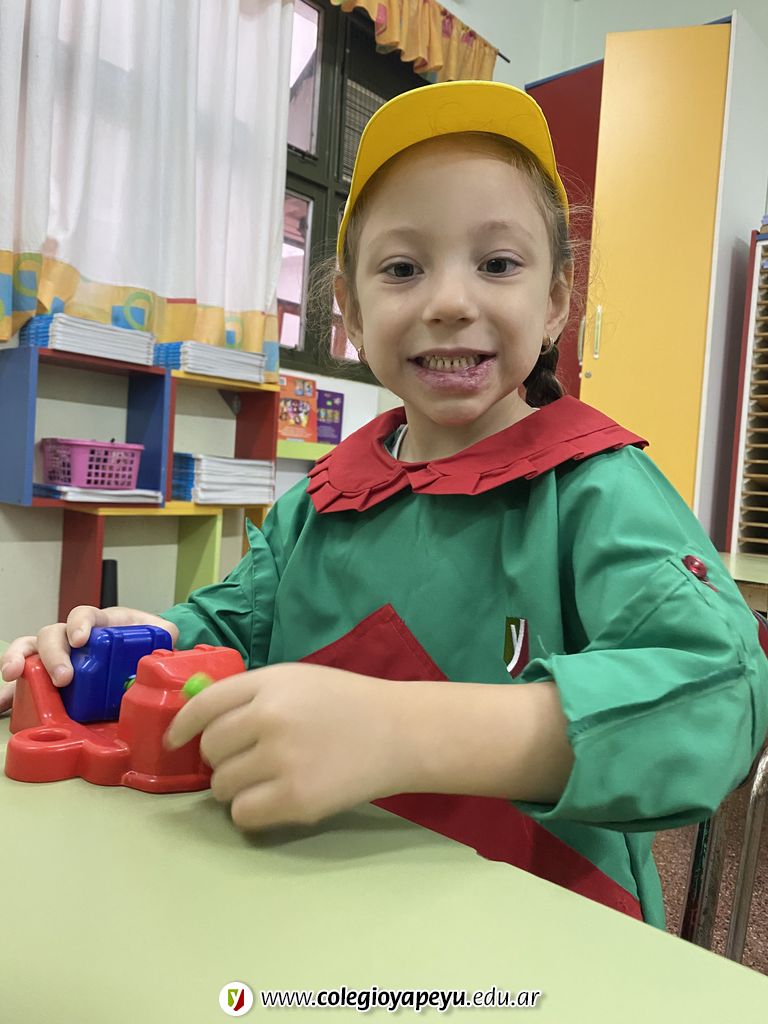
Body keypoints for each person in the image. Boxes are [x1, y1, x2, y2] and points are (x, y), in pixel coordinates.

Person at [2, 81, 766, 929]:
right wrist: (139, 643)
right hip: (317, 906)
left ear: (555, 301)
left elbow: (720, 691)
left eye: (498, 264)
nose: (449, 301)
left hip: (538, 936)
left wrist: (403, 732)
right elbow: (232, 630)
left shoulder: (594, 487)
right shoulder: (322, 499)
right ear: (353, 313)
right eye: (403, 269)